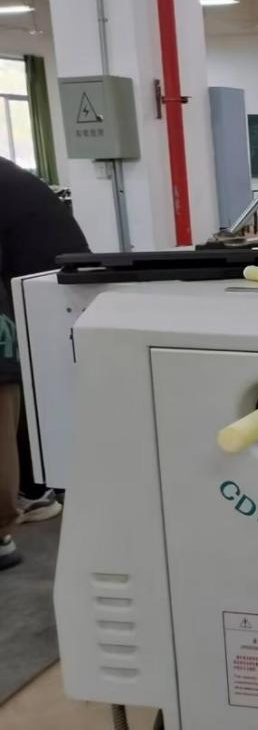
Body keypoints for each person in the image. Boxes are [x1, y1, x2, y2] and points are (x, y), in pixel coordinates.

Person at [1, 157, 89, 571]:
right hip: (60, 281)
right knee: (34, 385)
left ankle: (35, 489)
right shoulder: (10, 177)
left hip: (45, 285)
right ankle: (41, 485)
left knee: (21, 383)